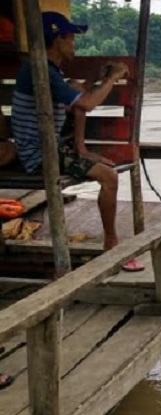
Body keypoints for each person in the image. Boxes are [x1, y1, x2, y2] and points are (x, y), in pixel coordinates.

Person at [9, 12, 141, 270]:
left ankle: (81, 150)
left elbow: (78, 97)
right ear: (58, 40)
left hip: (48, 145)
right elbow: (88, 104)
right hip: (39, 154)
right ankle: (111, 243)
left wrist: (97, 81)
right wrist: (112, 79)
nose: (74, 44)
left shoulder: (48, 70)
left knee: (77, 88)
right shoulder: (42, 71)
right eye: (70, 39)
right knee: (109, 177)